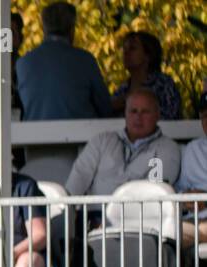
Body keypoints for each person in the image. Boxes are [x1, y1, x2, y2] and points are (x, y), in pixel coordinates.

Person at [65, 88, 181, 200]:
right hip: (94, 217)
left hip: (139, 217)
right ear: (125, 114)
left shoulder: (168, 148)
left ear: (157, 115)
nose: (138, 117)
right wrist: (64, 208)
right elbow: (79, 177)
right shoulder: (102, 140)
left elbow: (157, 191)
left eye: (145, 112)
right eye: (133, 111)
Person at [16, 2, 110, 120]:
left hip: (35, 137)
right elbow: (105, 108)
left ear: (43, 28)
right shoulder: (85, 60)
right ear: (72, 29)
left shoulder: (23, 64)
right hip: (82, 136)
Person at [111, 32, 183, 122]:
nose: (126, 53)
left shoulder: (163, 84)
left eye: (132, 48)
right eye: (124, 49)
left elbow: (172, 116)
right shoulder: (122, 89)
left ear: (148, 56)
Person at [174, 92, 207, 245]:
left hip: (200, 226)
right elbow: (180, 190)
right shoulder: (194, 148)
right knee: (167, 234)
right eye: (205, 116)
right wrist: (186, 197)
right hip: (194, 222)